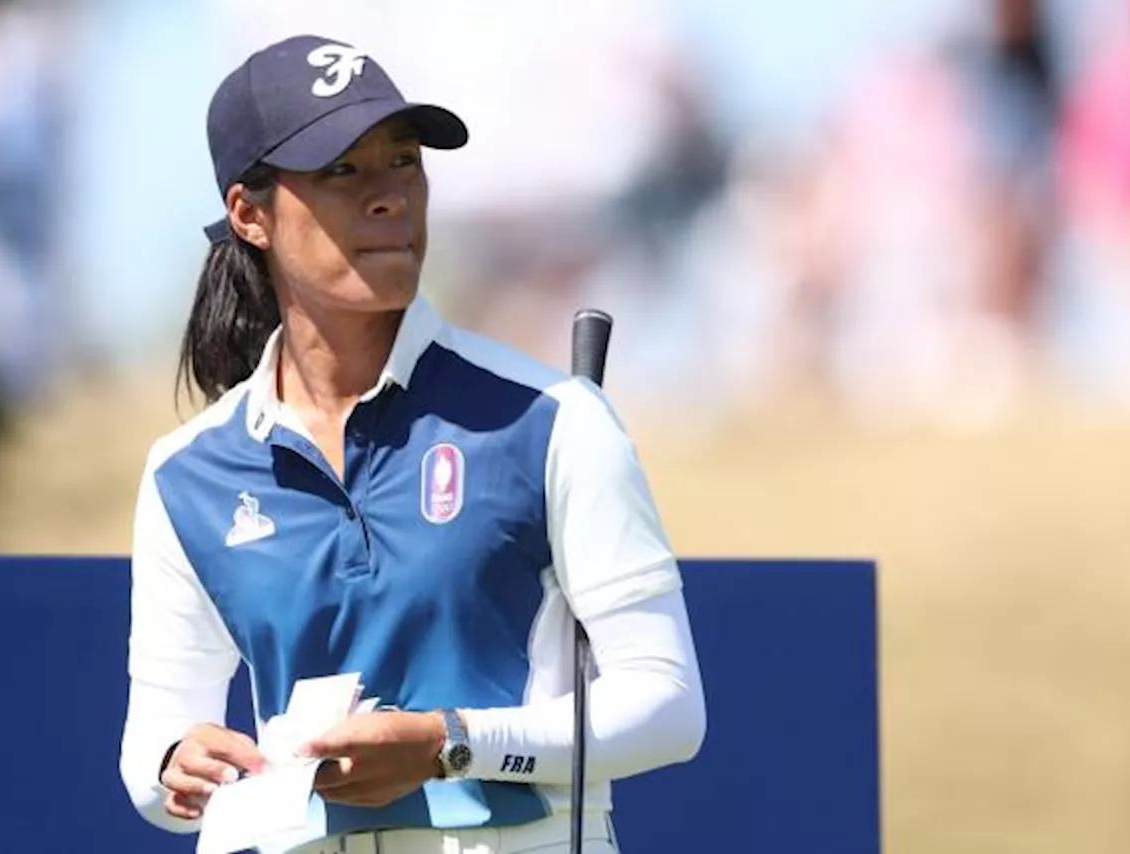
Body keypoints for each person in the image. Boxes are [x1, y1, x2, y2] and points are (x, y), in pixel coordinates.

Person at [117, 34, 707, 854]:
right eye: (343, 173)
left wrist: (447, 744)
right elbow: (154, 747)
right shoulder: (189, 473)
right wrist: (177, 762)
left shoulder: (553, 419)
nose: (391, 195)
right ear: (250, 214)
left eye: (404, 163)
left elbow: (668, 706)